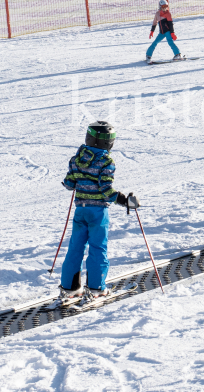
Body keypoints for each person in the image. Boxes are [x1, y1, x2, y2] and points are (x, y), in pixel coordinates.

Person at [58, 121, 138, 301]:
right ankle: (96, 289)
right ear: (108, 143)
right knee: (97, 248)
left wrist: (77, 180)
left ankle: (70, 289)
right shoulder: (106, 161)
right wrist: (126, 201)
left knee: (75, 248)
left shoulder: (76, 158)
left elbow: (69, 184)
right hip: (98, 213)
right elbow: (106, 190)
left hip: (80, 211)